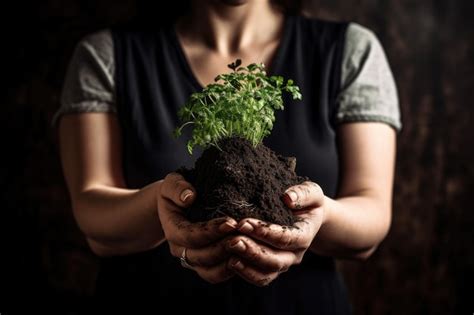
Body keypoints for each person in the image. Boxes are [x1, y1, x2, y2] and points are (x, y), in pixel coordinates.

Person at [54, 0, 401, 313]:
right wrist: (157, 204)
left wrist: (321, 215)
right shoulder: (107, 55)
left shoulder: (350, 51)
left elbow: (371, 213)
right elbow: (91, 206)